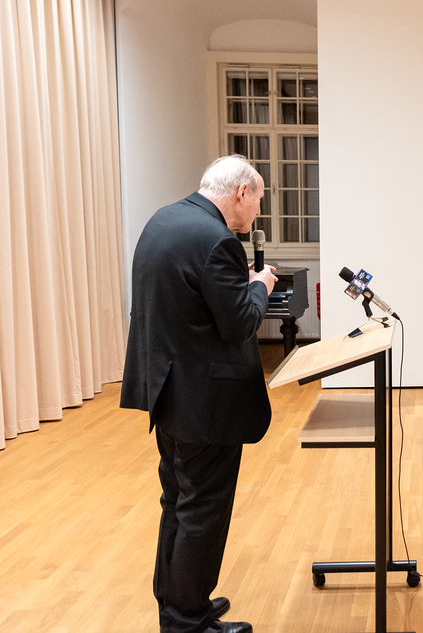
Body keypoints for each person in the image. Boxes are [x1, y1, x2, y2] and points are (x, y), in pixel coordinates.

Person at [121, 155, 279, 633]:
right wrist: (259, 286)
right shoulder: (217, 241)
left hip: (167, 391)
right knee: (203, 509)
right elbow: (240, 324)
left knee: (178, 498)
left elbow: (186, 307)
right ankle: (187, 620)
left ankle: (177, 603)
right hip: (205, 402)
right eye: (258, 201)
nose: (257, 213)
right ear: (241, 192)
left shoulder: (164, 220)